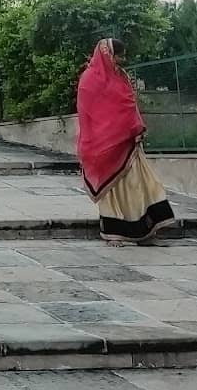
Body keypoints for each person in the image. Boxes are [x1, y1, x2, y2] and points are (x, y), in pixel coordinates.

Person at [75, 37, 177, 245]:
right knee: (112, 191)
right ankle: (115, 233)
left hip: (128, 144)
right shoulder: (89, 80)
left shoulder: (121, 76)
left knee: (141, 186)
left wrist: (135, 126)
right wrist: (112, 133)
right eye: (118, 56)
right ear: (107, 54)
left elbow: (129, 105)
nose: (121, 60)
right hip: (102, 145)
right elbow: (90, 114)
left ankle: (145, 232)